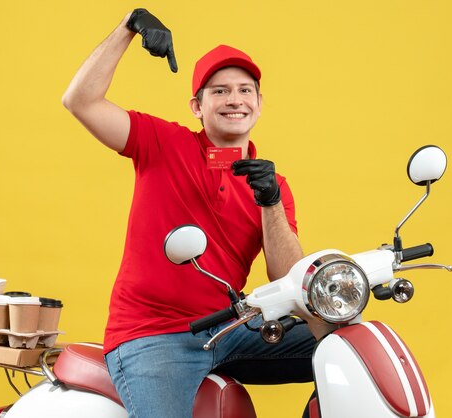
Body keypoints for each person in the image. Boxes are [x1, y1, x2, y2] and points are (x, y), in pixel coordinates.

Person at [62, 8, 316, 418]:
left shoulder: (274, 184)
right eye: (219, 91)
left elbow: (287, 276)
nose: (234, 99)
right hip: (154, 335)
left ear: (259, 102)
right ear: (197, 106)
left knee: (345, 346)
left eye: (244, 90)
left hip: (230, 330)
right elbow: (80, 101)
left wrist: (269, 201)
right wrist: (129, 27)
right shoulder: (162, 143)